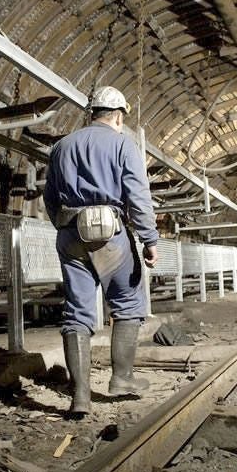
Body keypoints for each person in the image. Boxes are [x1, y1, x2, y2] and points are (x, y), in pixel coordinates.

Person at [43, 86, 159, 415]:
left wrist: (64, 225)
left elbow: (49, 197)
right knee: (127, 303)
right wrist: (150, 239)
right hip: (110, 234)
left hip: (70, 233)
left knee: (77, 312)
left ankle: (80, 395)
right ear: (119, 116)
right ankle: (121, 378)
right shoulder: (123, 143)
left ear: (92, 112)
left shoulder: (61, 146)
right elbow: (137, 195)